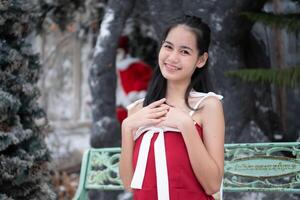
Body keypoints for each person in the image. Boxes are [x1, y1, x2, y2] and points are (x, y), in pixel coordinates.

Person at [119, 15, 225, 200]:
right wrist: (127, 127)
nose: (172, 57)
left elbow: (212, 185)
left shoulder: (207, 106)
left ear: (200, 60)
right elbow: (129, 185)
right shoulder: (137, 110)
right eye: (168, 47)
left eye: (184, 52)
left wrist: (185, 125)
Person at [115, 36, 153, 123]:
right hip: (120, 106)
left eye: (118, 52)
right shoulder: (113, 69)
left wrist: (138, 92)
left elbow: (147, 78)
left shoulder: (135, 65)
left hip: (135, 103)